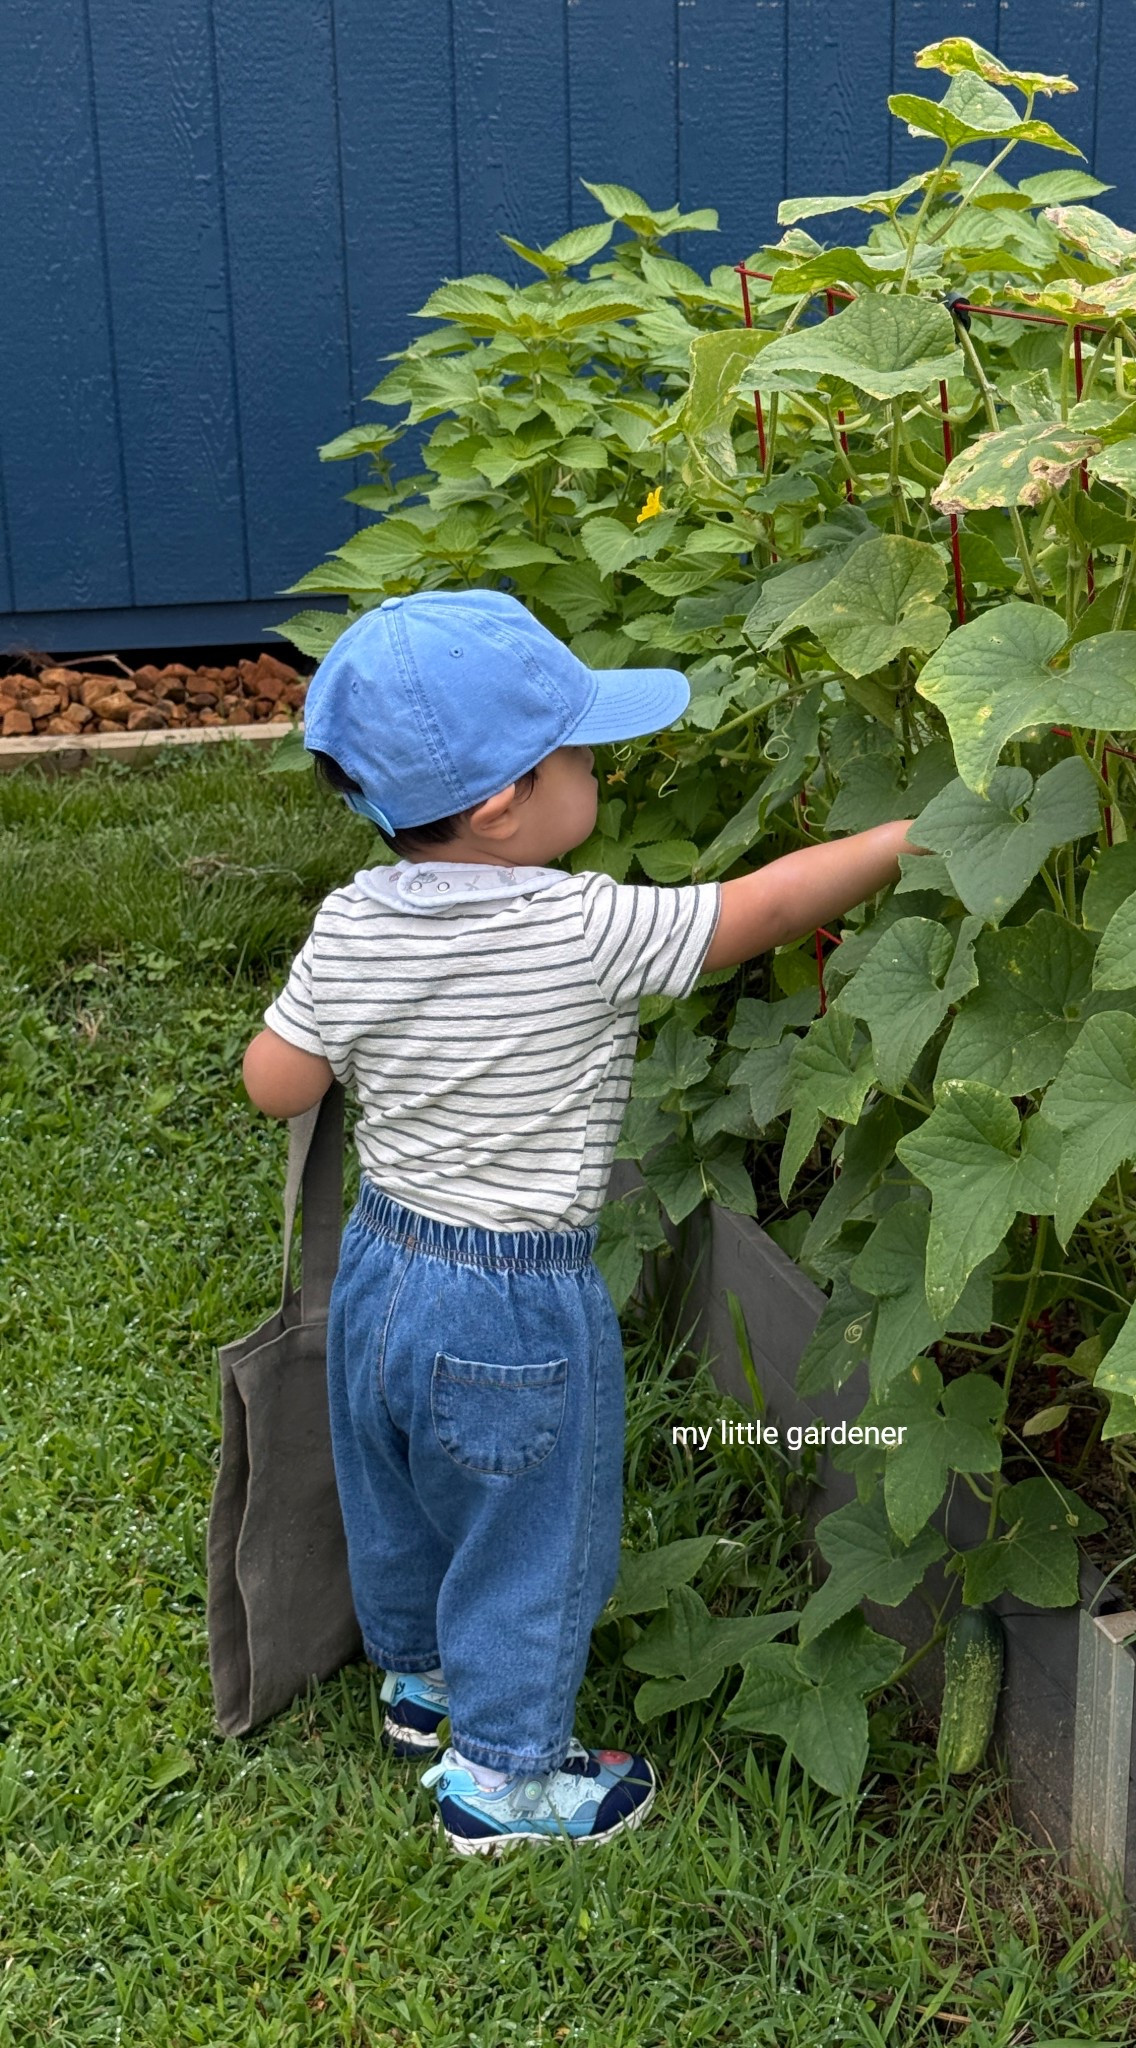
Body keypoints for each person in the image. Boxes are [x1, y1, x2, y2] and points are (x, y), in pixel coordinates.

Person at [242, 588, 913, 1854]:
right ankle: (505, 1779)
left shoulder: (349, 921)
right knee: (530, 1531)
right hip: (512, 1296)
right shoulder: (584, 924)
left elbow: (276, 1082)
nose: (599, 767)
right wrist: (896, 840)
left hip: (382, 1264)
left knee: (398, 1486)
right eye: (581, 753)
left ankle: (419, 1683)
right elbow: (759, 909)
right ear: (505, 803)